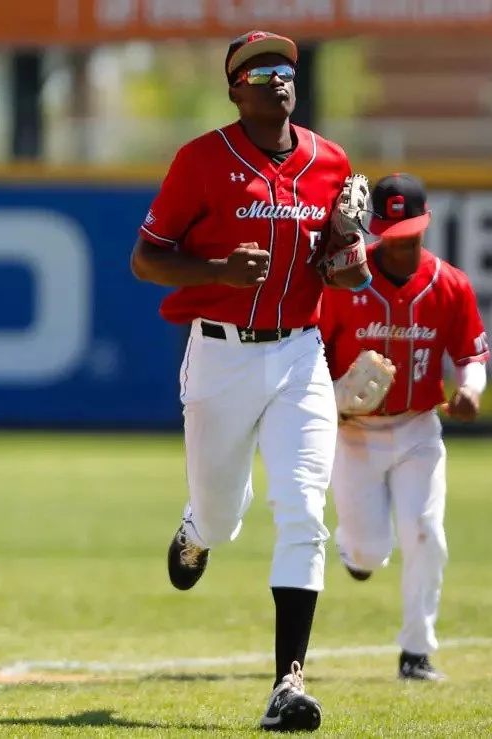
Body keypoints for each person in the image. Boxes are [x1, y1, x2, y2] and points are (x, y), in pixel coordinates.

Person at [130, 30, 370, 732]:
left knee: (302, 509)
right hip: (221, 355)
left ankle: (287, 683)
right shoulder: (202, 160)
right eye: (259, 71)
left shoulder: (331, 162)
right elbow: (147, 259)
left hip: (300, 353)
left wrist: (348, 246)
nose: (277, 78)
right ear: (235, 90)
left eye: (285, 68)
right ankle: (197, 529)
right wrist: (215, 273)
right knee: (223, 513)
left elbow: (347, 272)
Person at [318, 173, 491, 682]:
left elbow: (470, 353)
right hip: (352, 434)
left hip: (417, 429)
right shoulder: (342, 282)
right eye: (393, 237)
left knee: (425, 533)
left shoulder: (450, 284)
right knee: (370, 550)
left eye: (412, 235)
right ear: (375, 232)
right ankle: (356, 551)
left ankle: (416, 652)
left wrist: (471, 390)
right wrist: (332, 397)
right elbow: (307, 355)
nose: (403, 247)